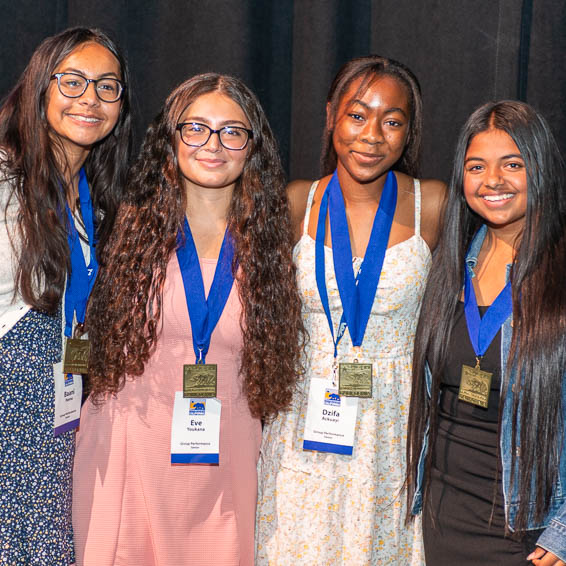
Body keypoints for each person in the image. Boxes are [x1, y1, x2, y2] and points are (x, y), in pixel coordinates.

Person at [72, 73, 304, 566]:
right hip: (129, 452)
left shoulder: (272, 250)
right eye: (195, 128)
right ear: (170, 138)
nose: (212, 144)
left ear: (252, 147)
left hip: (224, 463)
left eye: (231, 131)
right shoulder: (123, 230)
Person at [256, 55, 445, 564]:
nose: (372, 135)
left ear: (409, 131)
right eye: (357, 115)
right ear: (331, 117)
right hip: (303, 418)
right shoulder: (297, 200)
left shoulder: (433, 205)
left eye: (392, 120)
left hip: (392, 424)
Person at [406, 100, 566, 566]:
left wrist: (562, 530)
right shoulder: (450, 263)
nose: (492, 181)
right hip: (444, 514)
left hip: (523, 530)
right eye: (477, 167)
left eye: (512, 164)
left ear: (540, 170)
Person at [0, 27, 131, 565]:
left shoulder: (90, 200)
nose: (90, 98)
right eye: (73, 81)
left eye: (107, 86)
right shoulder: (8, 178)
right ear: (40, 89)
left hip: (54, 412)